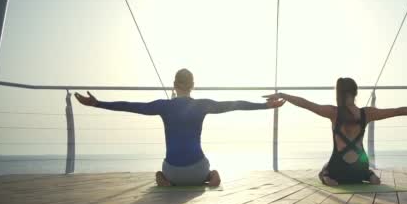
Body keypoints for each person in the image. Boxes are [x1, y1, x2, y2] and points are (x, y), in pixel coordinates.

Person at [75, 68, 284, 187]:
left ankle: (164, 180)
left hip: (173, 173)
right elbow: (235, 105)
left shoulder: (164, 106)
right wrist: (266, 106)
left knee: (160, 172)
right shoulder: (201, 105)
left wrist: (96, 103)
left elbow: (130, 107)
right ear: (192, 85)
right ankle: (212, 176)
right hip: (197, 171)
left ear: (174, 85)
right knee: (210, 168)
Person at [265, 77, 407, 186]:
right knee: (364, 169)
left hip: (338, 170)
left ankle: (326, 176)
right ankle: (369, 175)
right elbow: (398, 111)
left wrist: (282, 94)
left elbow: (306, 104)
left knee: (325, 169)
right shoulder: (368, 113)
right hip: (359, 169)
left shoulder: (333, 112)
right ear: (355, 92)